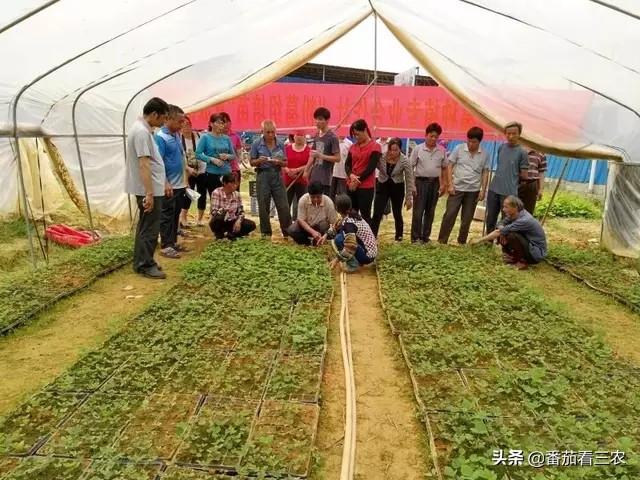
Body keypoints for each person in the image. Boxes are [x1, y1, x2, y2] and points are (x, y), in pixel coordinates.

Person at [125, 97, 169, 279]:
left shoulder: (143, 130)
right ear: (154, 114)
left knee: (146, 226)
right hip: (148, 189)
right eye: (162, 118)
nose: (163, 122)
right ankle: (145, 264)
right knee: (150, 228)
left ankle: (141, 261)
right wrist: (149, 193)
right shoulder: (142, 132)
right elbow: (144, 164)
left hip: (151, 188)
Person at [438, 127, 491, 245]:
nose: (471, 144)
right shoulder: (459, 149)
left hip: (473, 190)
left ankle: (461, 242)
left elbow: (485, 172)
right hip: (457, 188)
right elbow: (450, 166)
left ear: (479, 142)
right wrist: (449, 184)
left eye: (474, 142)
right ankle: (442, 241)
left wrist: (483, 190)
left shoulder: (485, 154)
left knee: (467, 219)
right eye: (469, 141)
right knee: (449, 215)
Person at [470, 195, 547, 270]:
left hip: (535, 254)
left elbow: (498, 231)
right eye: (503, 206)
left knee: (511, 235)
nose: (503, 209)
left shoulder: (524, 220)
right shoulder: (514, 214)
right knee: (504, 231)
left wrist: (479, 240)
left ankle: (522, 262)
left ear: (515, 207)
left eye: (506, 207)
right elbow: (500, 224)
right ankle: (512, 257)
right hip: (528, 245)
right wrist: (502, 231)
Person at [155, 105, 188, 259]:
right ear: (168, 119)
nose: (182, 125)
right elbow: (158, 162)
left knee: (175, 215)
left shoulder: (175, 135)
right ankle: (166, 245)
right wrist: (165, 182)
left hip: (179, 184)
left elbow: (179, 157)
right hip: (169, 185)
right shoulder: (161, 137)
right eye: (179, 122)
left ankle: (172, 242)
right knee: (167, 216)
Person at [249, 119, 292, 238]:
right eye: (267, 132)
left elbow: (286, 162)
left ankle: (287, 232)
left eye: (272, 132)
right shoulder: (256, 144)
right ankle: (266, 233)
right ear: (262, 131)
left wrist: (279, 162)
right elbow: (251, 162)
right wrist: (259, 160)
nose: (270, 135)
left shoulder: (280, 143)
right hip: (263, 175)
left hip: (277, 175)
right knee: (263, 206)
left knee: (283, 205)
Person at [485, 121, 529, 234]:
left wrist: (513, 181)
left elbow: (524, 175)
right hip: (494, 189)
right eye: (508, 134)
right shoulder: (501, 147)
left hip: (509, 192)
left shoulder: (522, 152)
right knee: (490, 217)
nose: (510, 136)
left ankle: (503, 244)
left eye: (514, 133)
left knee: (507, 220)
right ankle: (487, 243)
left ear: (519, 134)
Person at [409, 122, 448, 243]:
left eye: (436, 136)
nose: (433, 139)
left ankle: (425, 237)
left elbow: (444, 168)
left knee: (430, 212)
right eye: (431, 136)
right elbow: (411, 167)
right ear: (426, 135)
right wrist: (412, 185)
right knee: (418, 211)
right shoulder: (418, 149)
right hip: (420, 182)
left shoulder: (441, 150)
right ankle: (415, 238)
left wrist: (444, 184)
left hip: (435, 183)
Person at [195, 113, 236, 225]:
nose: (221, 125)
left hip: (226, 173)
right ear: (211, 124)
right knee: (216, 200)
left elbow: (234, 155)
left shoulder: (226, 138)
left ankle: (228, 222)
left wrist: (226, 156)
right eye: (218, 122)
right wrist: (211, 160)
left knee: (228, 199)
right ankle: (215, 225)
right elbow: (198, 154)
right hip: (212, 173)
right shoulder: (205, 137)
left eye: (222, 123)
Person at [370, 137, 414, 241]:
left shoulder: (404, 161)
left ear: (400, 149)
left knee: (397, 213)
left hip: (397, 187)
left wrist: (409, 198)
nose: (393, 152)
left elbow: (409, 180)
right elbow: (373, 165)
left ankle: (399, 237)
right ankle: (372, 236)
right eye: (391, 149)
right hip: (382, 185)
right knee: (377, 212)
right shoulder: (382, 157)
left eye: (396, 150)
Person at [327, 194, 378, 273]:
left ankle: (353, 264)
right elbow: (336, 227)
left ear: (337, 209)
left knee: (339, 239)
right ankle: (357, 260)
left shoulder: (349, 224)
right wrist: (326, 235)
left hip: (367, 256)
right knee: (341, 234)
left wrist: (336, 260)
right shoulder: (351, 215)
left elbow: (350, 246)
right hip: (371, 252)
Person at [344, 119, 382, 225]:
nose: (356, 137)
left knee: (365, 214)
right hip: (350, 183)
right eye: (354, 135)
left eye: (358, 134)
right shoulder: (353, 147)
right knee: (351, 212)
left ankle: (366, 238)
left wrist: (357, 180)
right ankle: (351, 236)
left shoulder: (375, 147)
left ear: (365, 130)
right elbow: (347, 165)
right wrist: (351, 176)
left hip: (366, 186)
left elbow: (371, 168)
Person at [287, 181, 337, 246]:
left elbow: (333, 223)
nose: (315, 199)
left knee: (326, 228)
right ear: (309, 194)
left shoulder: (329, 202)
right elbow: (301, 219)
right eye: (313, 197)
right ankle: (310, 242)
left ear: (322, 194)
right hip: (307, 227)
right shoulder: (303, 200)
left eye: (318, 197)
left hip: (322, 228)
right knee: (292, 230)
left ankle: (320, 240)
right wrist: (312, 232)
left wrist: (326, 235)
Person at [304, 107, 340, 196]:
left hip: (325, 179)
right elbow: (312, 155)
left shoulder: (332, 137)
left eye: (320, 119)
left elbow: (338, 158)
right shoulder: (316, 135)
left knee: (323, 204)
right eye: (316, 119)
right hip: (314, 176)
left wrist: (321, 156)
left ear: (327, 120)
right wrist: (306, 170)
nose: (317, 122)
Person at [209, 174, 256, 240]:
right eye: (233, 183)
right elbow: (214, 211)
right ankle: (220, 234)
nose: (235, 186)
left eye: (236, 184)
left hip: (233, 220)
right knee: (218, 218)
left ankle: (230, 234)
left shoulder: (237, 194)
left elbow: (241, 211)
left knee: (251, 224)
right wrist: (225, 211)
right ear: (225, 183)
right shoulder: (216, 193)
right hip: (221, 220)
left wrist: (238, 221)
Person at [179, 116, 203, 227]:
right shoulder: (178, 138)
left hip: (201, 169)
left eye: (188, 124)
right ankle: (183, 217)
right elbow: (180, 157)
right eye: (183, 124)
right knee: (188, 194)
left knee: (202, 193)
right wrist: (188, 169)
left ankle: (200, 219)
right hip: (187, 171)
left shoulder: (198, 136)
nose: (186, 127)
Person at [283, 130, 310, 221]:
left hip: (302, 180)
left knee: (301, 204)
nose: (299, 137)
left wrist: (296, 170)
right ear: (293, 137)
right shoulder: (287, 148)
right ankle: (286, 224)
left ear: (304, 137)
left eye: (301, 135)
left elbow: (310, 164)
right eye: (297, 135)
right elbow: (282, 162)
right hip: (287, 180)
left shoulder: (308, 150)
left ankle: (300, 223)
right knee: (286, 203)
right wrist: (288, 171)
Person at [518, 149, 547, 214]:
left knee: (528, 211)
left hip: (532, 184)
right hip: (516, 182)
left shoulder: (541, 152)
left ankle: (525, 224)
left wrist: (541, 189)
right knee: (512, 209)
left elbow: (541, 172)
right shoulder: (518, 148)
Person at [220, 112, 243, 191]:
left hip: (234, 170)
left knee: (235, 194)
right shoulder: (215, 136)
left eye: (227, 122)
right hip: (219, 170)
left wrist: (236, 160)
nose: (225, 124)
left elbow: (239, 154)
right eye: (222, 122)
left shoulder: (235, 136)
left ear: (230, 123)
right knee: (221, 196)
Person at [330, 136, 351, 200]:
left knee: (343, 194)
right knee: (331, 193)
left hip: (344, 173)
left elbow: (351, 160)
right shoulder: (333, 142)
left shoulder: (349, 144)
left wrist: (349, 173)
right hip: (333, 173)